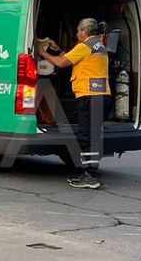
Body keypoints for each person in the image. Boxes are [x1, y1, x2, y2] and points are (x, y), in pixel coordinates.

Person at [40, 17, 110, 189]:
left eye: (78, 30)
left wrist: (42, 53)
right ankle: (89, 173)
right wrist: (57, 50)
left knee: (87, 136)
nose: (77, 33)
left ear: (84, 31)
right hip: (101, 96)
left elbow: (62, 63)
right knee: (91, 135)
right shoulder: (97, 46)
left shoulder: (84, 46)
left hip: (90, 97)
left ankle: (91, 176)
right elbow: (72, 59)